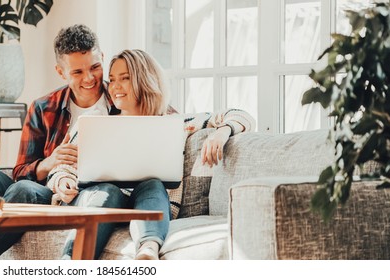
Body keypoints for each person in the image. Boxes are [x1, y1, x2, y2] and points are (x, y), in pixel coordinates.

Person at [0, 24, 126, 260]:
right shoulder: (44, 107)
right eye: (77, 72)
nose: (89, 78)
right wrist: (49, 162)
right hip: (40, 188)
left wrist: (184, 125)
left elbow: (159, 110)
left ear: (102, 59)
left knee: (23, 190)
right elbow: (20, 172)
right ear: (61, 72)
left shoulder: (122, 101)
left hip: (74, 196)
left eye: (95, 67)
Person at [45, 49, 255, 260]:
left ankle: (148, 250)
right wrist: (63, 181)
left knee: (153, 184)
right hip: (98, 200)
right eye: (113, 79)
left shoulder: (177, 124)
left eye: (125, 78)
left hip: (144, 203)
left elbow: (241, 115)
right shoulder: (95, 122)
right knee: (108, 190)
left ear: (144, 80)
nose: (115, 87)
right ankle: (69, 263)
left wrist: (222, 132)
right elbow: (61, 167)